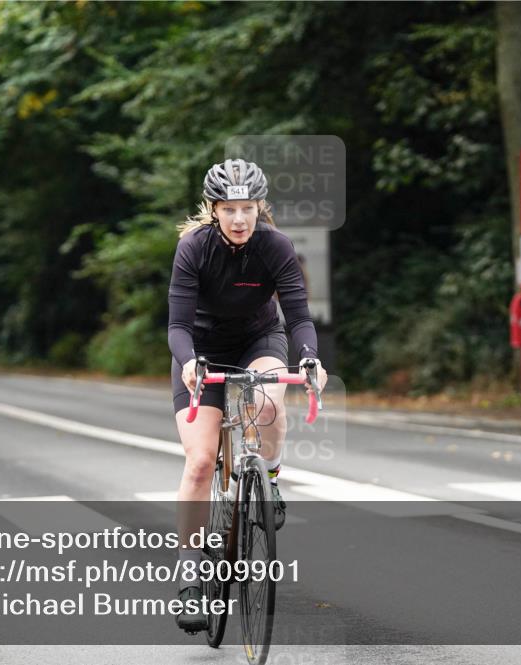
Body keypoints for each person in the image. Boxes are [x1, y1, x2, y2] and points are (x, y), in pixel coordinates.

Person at [167, 158, 328, 632]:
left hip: (259, 340)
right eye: (230, 209)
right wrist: (191, 362)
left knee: (271, 400)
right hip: (200, 348)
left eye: (248, 209)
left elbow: (298, 317)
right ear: (213, 209)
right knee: (199, 461)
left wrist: (310, 359)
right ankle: (190, 575)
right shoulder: (193, 248)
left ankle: (270, 477)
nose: (240, 219)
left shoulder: (275, 246)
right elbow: (176, 325)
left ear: (261, 208)